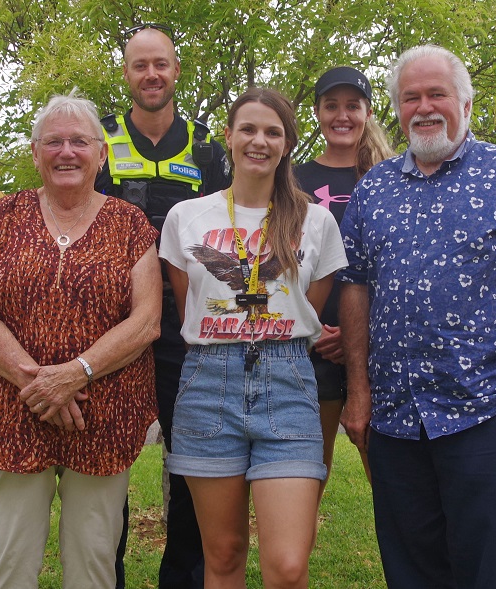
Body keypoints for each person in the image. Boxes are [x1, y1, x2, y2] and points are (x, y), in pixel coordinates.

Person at [339, 45, 496, 589]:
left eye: (436, 94)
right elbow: (354, 288)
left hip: (483, 410)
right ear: (396, 109)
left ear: (464, 102)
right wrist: (358, 389)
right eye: (410, 97)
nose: (424, 107)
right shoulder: (374, 188)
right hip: (396, 416)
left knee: (486, 570)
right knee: (411, 569)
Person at [0, 92, 161, 589]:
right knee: (7, 559)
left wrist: (75, 374)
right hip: (13, 408)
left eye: (79, 141)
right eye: (53, 141)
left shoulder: (130, 223)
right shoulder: (4, 217)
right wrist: (40, 383)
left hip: (105, 413)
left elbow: (146, 321)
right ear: (35, 153)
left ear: (101, 154)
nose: (66, 151)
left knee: (93, 559)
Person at [159, 87, 347, 588]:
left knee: (287, 565)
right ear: (228, 137)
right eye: (248, 129)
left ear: (287, 144)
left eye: (272, 132)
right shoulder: (186, 217)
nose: (258, 141)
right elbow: (187, 303)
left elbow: (310, 302)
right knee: (222, 555)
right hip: (207, 383)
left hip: (287, 381)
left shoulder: (317, 221)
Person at [95, 23, 231, 589]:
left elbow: (233, 230)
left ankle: (184, 577)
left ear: (176, 70)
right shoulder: (95, 138)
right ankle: (110, 574)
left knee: (192, 462)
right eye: (139, 65)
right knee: (108, 466)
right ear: (126, 74)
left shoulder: (207, 148)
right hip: (111, 327)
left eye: (161, 64)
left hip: (187, 329)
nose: (151, 74)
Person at [294, 66, 394, 490]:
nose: (342, 115)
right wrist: (312, 329)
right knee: (307, 479)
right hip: (312, 346)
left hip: (378, 349)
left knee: (390, 483)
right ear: (317, 112)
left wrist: (359, 337)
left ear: (368, 112)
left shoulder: (392, 177)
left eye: (352, 106)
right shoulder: (293, 179)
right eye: (331, 105)